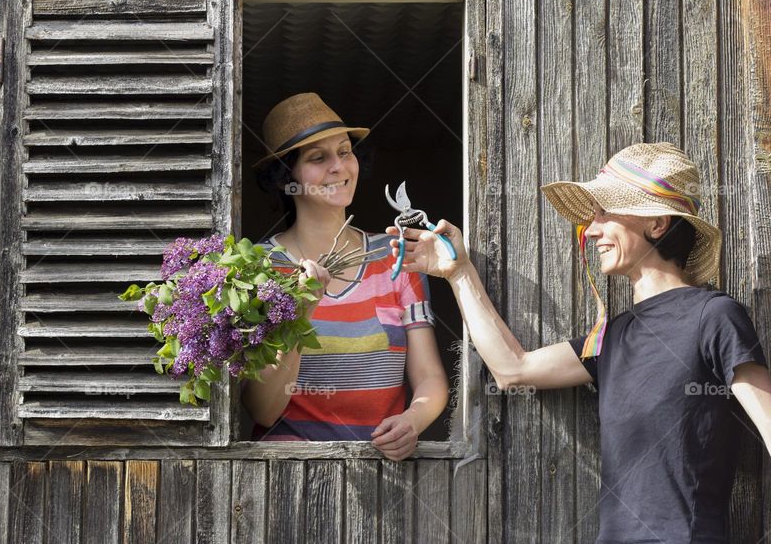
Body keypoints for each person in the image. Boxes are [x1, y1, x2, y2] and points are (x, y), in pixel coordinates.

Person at [389, 142, 771, 542]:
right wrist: (457, 272)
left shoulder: (713, 316)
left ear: (656, 223)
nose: (591, 230)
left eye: (605, 212)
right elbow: (512, 369)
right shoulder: (612, 337)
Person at [241, 92, 449, 460]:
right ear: (283, 177)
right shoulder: (260, 269)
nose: (338, 167)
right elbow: (262, 410)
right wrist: (302, 310)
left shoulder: (395, 255)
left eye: (345, 151)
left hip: (384, 473)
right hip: (288, 477)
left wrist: (413, 420)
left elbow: (430, 377)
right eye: (318, 158)